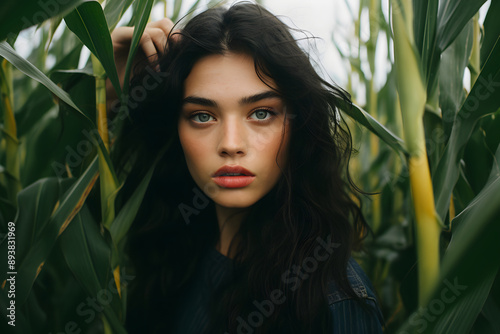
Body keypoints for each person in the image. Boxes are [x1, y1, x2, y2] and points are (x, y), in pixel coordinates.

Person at [109, 2, 385, 333]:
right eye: (202, 116)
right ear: (175, 131)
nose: (230, 143)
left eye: (261, 113)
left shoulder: (332, 302)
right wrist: (107, 85)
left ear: (298, 126)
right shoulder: (167, 257)